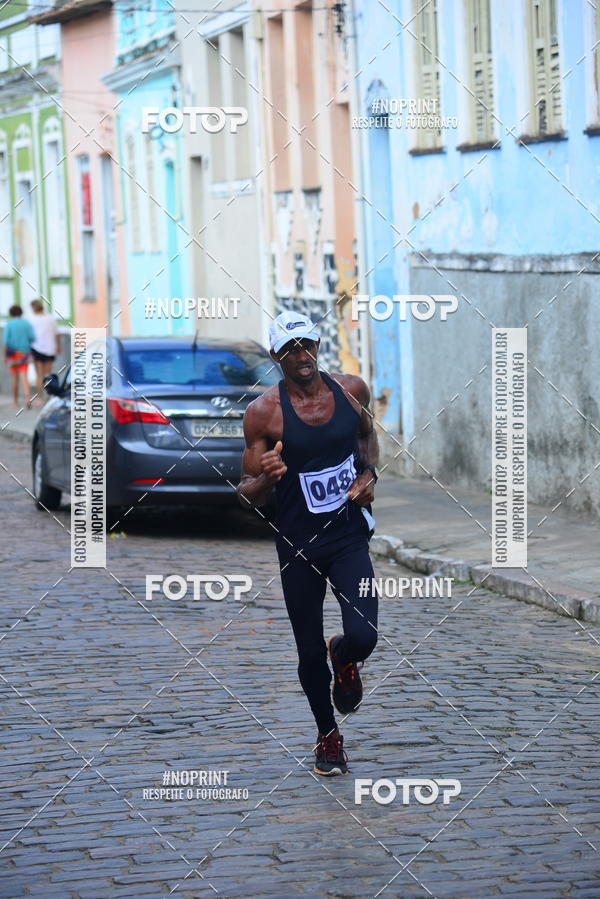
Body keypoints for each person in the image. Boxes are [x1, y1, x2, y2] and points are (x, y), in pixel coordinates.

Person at [237, 311, 380, 776]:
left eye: (307, 344)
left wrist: (368, 473)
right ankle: (328, 736)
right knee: (305, 650)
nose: (300, 355)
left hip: (347, 537)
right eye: (289, 348)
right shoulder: (263, 413)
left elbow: (368, 438)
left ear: (318, 345)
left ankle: (345, 654)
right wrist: (265, 478)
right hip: (297, 544)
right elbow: (246, 494)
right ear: (276, 356)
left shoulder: (350, 390)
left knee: (364, 634)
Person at [4, 305, 34, 408]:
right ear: (21, 313)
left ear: (11, 313)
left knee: (15, 378)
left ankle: (15, 402)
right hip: (24, 353)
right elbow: (32, 337)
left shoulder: (9, 324)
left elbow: (6, 342)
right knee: (24, 376)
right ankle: (27, 399)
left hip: (13, 354)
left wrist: (4, 356)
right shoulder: (26, 323)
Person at [29, 299, 60, 403]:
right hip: (50, 348)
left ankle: (40, 398)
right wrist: (58, 345)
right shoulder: (50, 318)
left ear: (33, 308)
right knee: (48, 374)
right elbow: (57, 333)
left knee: (39, 375)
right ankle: (50, 397)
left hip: (36, 349)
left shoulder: (31, 319)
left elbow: (30, 336)